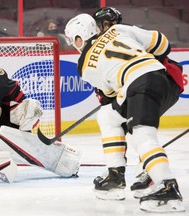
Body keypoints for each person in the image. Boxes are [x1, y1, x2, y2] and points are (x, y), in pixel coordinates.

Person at [64, 12, 184, 213]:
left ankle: (167, 186)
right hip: (164, 80)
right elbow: (163, 44)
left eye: (72, 40)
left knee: (142, 136)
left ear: (79, 38)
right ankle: (115, 175)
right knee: (108, 116)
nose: (72, 45)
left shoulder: (83, 65)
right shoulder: (117, 29)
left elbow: (110, 92)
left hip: (139, 85)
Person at [92, 6, 185, 197]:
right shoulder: (106, 47)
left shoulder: (125, 34)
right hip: (160, 84)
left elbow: (162, 47)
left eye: (109, 24)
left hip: (159, 81)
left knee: (140, 130)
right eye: (104, 25)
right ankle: (137, 170)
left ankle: (152, 175)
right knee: (126, 123)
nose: (107, 28)